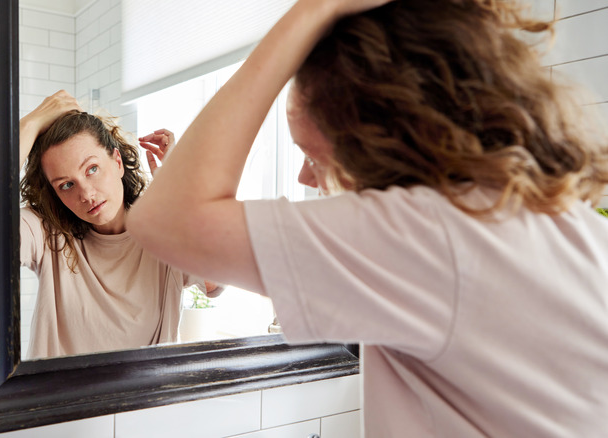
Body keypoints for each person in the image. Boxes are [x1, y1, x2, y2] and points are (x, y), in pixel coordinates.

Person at [127, 0, 608, 436]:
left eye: (314, 156)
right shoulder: (563, 221)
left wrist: (311, 11)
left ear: (376, 135)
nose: (305, 178)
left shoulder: (429, 236)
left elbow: (165, 221)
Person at [19, 91, 218, 359]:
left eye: (92, 169)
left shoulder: (165, 230)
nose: (86, 194)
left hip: (149, 401)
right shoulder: (46, 232)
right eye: (66, 185)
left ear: (117, 161)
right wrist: (28, 125)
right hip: (57, 401)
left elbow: (216, 280)